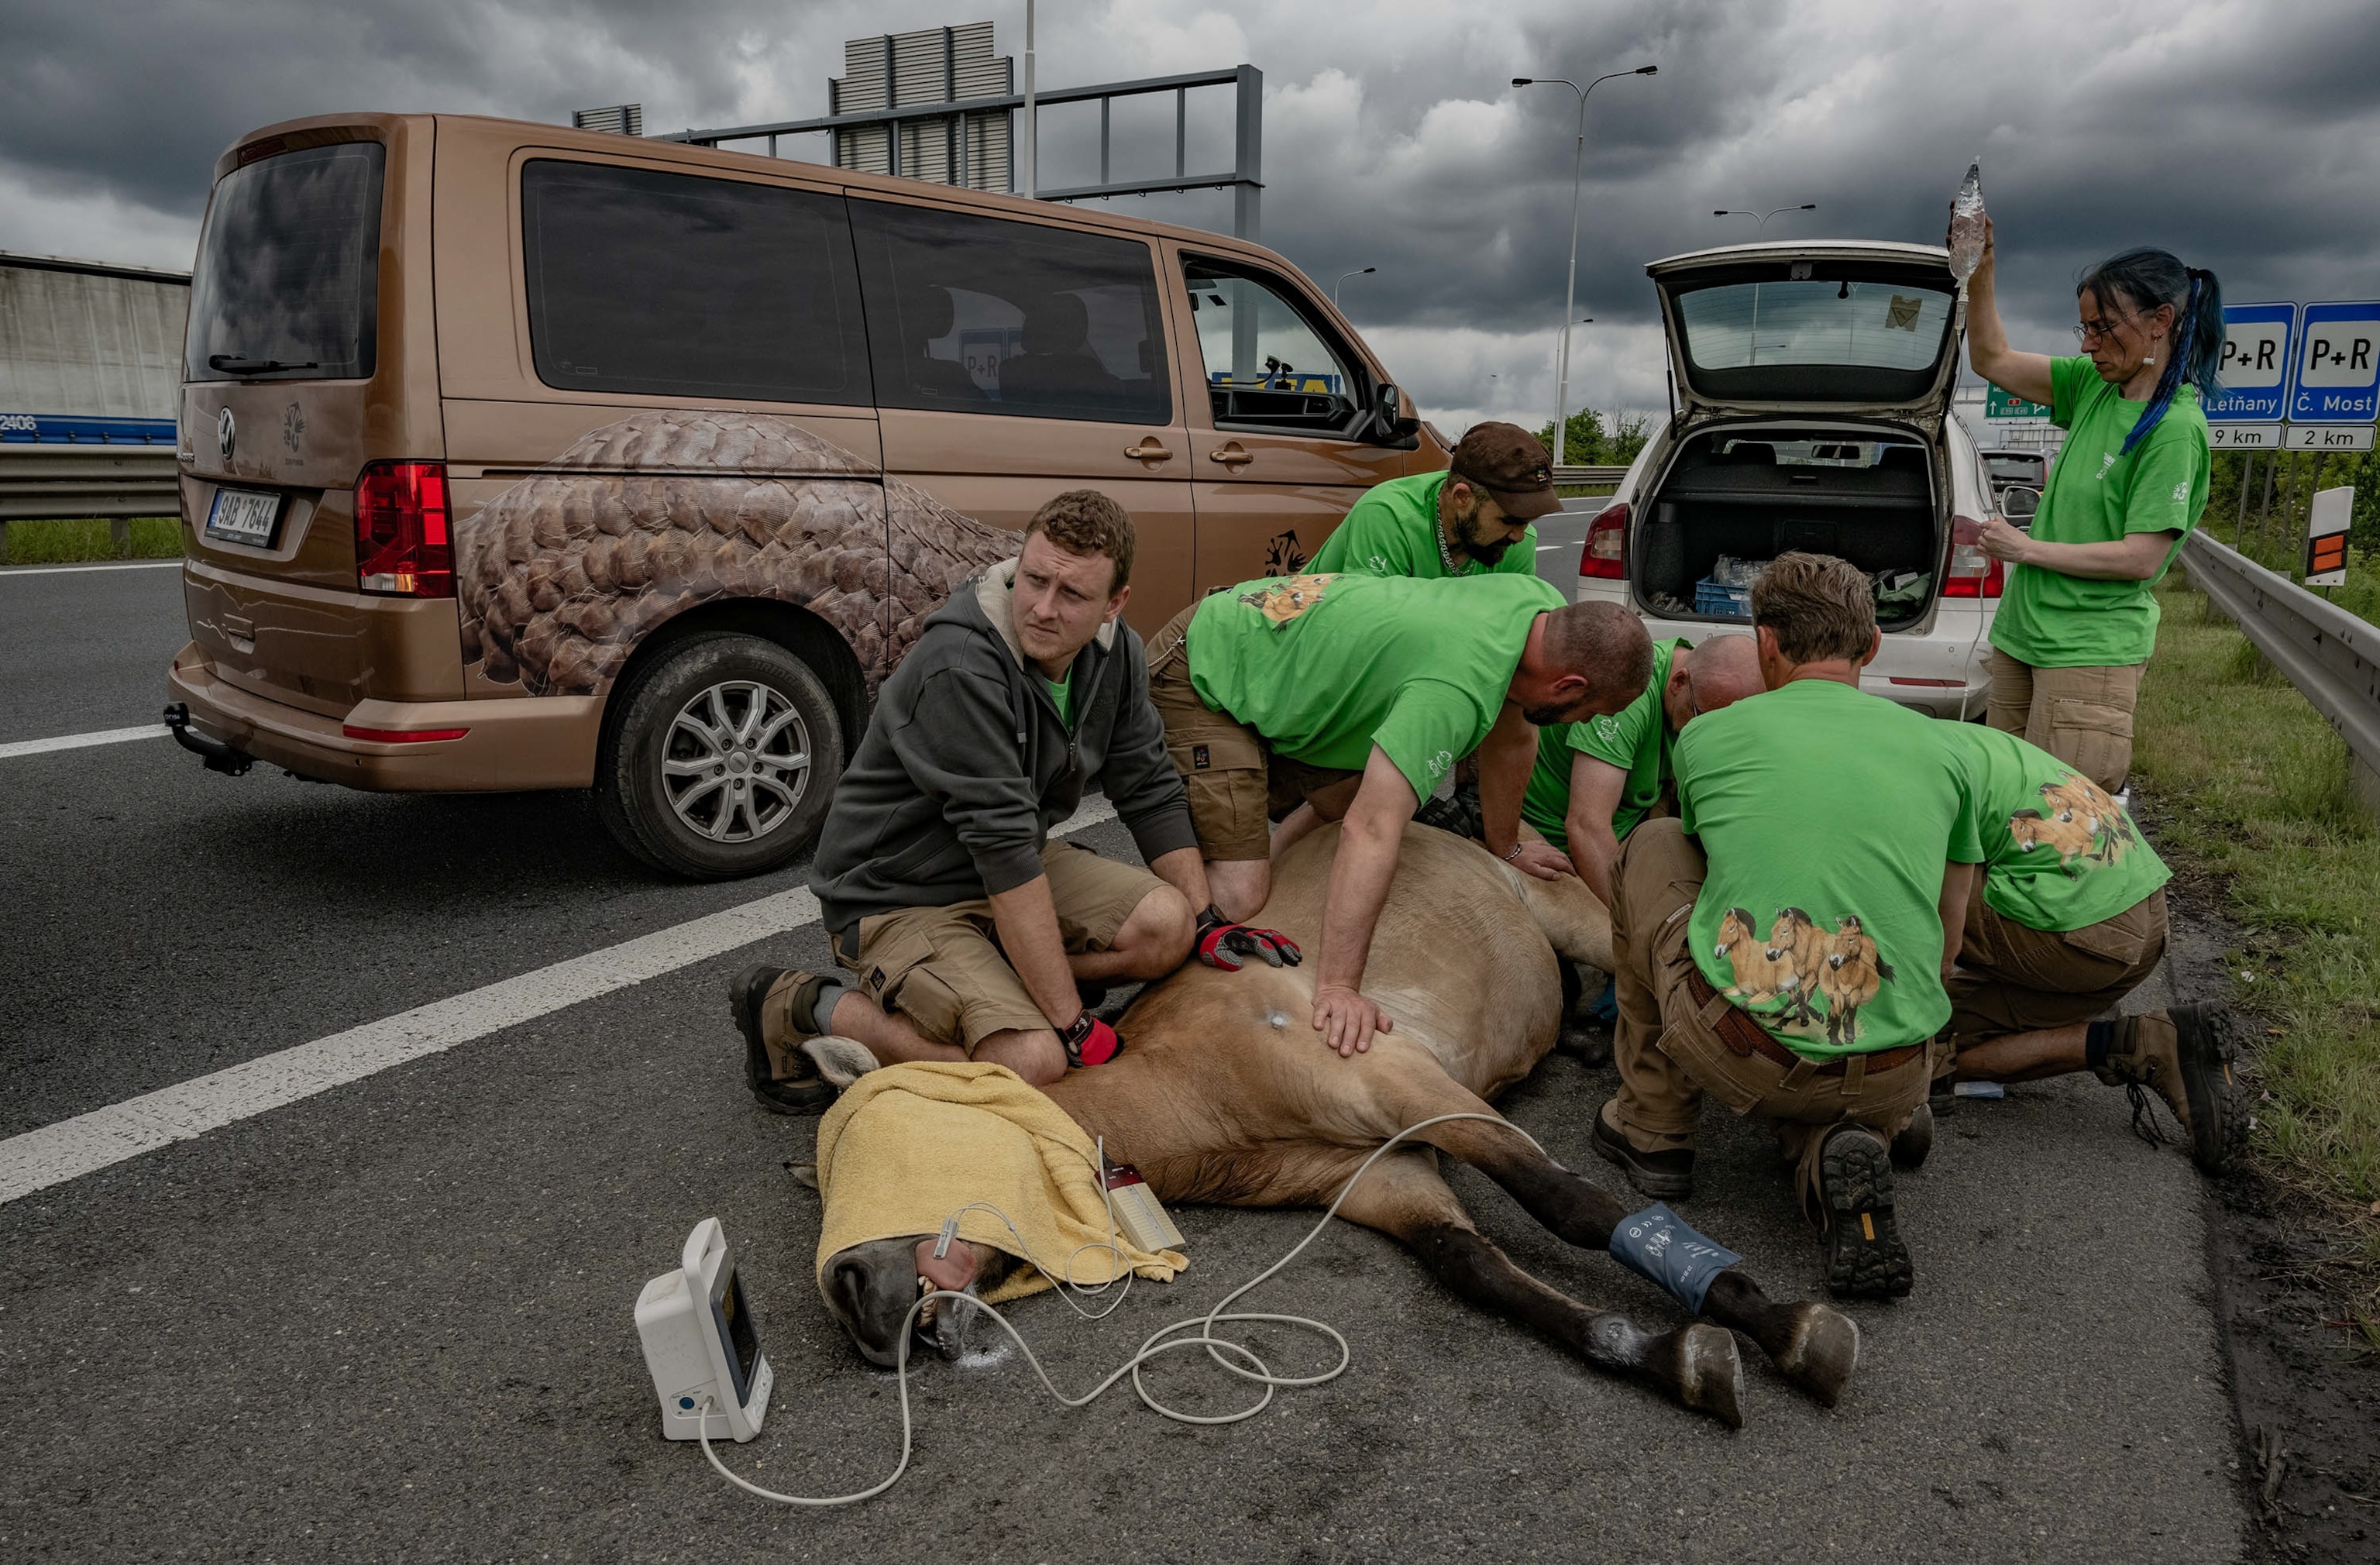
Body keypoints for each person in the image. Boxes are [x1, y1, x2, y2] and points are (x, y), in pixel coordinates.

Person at [732, 490, 1299, 1109]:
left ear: (1115, 604)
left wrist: (1206, 920)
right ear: (1020, 563)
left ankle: (1004, 970)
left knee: (1170, 929)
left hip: (1004, 864)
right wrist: (1070, 1022)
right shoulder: (963, 666)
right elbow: (1004, 854)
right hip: (893, 892)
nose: (1043, 609)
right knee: (1033, 1063)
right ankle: (803, 1006)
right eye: (1033, 580)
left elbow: (1147, 784)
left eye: (1073, 596)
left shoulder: (1119, 655)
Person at [1595, 552, 1982, 1301]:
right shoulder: (1950, 752)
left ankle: (1655, 1128)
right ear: (1871, 647)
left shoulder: (1708, 739)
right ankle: (1854, 1137)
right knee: (1844, 1064)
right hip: (1902, 1061)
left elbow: (1720, 870)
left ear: (1765, 645)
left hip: (1748, 1055)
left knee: (1652, 845)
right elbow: (1950, 938)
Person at [1147, 570, 1652, 1056]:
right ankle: (1127, 927)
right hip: (1203, 662)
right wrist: (1340, 988)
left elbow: (1515, 734)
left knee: (1353, 797)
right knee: (1239, 897)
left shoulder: (1536, 607)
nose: (1583, 724)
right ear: (1567, 685)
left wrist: (1506, 845)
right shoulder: (1454, 689)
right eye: (1590, 712)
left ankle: (1256, 855)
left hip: (1276, 631)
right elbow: (1372, 829)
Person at [1965, 225, 2222, 793]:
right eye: (2085, 328)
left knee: (2062, 833)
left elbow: (2141, 558)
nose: (2087, 345)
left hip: (2087, 653)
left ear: (2161, 322)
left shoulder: (2174, 430)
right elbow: (1991, 358)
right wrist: (1981, 269)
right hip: (2022, 637)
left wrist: (2027, 548)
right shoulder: (2093, 386)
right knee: (2000, 808)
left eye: (2104, 328)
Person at [1921, 723, 2240, 1172]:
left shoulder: (1892, 774)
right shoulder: (1933, 735)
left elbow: (1919, 925)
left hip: (2085, 928)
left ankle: (1913, 1058)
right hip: (2135, 916)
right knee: (1935, 1044)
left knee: (1906, 901)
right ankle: (2141, 1041)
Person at [1519, 635, 1766, 910]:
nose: (1708, 735)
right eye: (1700, 717)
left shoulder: (1711, 694)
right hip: (1556, 843)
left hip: (1627, 830)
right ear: (1678, 683)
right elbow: (1586, 827)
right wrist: (1633, 925)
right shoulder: (1629, 697)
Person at [1306, 421, 1562, 580]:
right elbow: (1374, 632)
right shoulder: (1387, 517)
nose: (1519, 535)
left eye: (1528, 521)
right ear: (1462, 497)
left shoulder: (1520, 543)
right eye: (1509, 520)